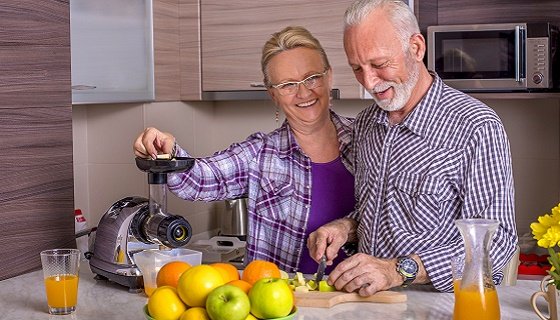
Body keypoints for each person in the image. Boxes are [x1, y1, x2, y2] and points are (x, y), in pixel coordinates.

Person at [307, 0, 517, 295]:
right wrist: (346, 228)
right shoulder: (368, 123)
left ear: (416, 48)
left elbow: (496, 244)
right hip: (369, 304)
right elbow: (384, 213)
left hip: (438, 307)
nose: (368, 81)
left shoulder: (475, 126)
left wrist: (397, 270)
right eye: (357, 68)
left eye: (379, 65)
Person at [133, 26, 354, 274]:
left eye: (312, 77)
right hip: (279, 305)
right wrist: (168, 151)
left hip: (363, 304)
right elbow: (197, 180)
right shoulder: (260, 154)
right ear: (273, 95)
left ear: (329, 77)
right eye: (288, 84)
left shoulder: (366, 141)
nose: (303, 92)